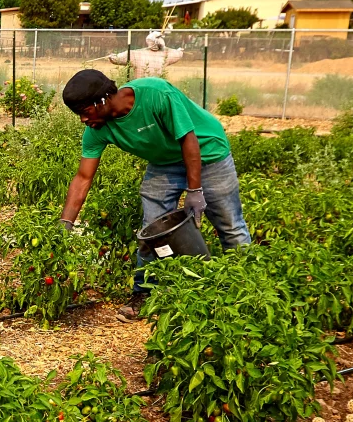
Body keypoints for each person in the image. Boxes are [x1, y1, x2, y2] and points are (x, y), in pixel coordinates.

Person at [56, 68, 250, 296]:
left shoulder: (156, 94)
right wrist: (65, 224)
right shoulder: (97, 129)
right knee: (151, 232)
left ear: (102, 100)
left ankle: (246, 289)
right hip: (164, 162)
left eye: (85, 111)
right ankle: (144, 293)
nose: (83, 119)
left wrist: (195, 189)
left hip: (207, 153)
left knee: (230, 225)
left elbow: (189, 138)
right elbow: (83, 178)